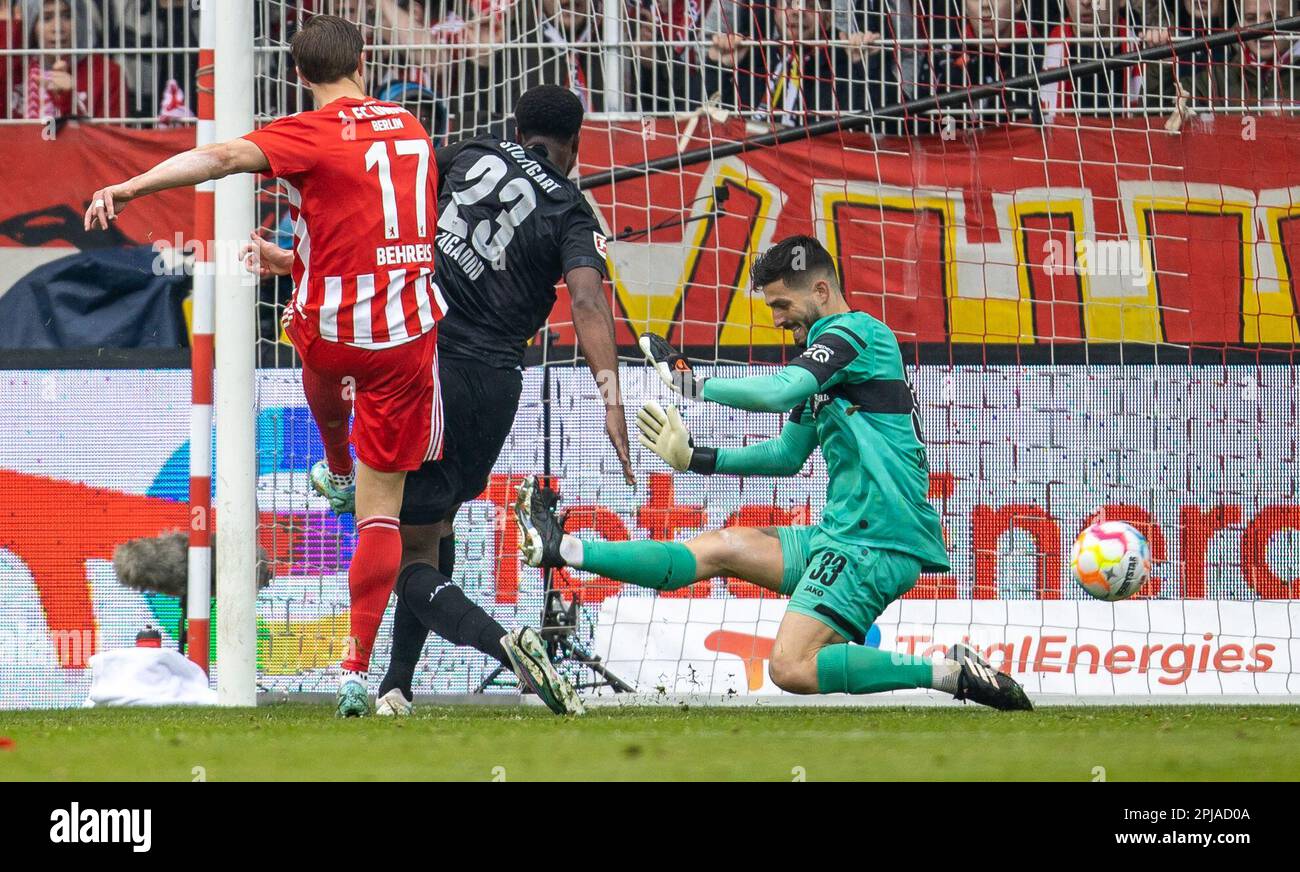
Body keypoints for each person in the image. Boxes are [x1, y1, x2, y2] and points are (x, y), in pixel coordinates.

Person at [84, 14, 574, 718]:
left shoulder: (308, 132)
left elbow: (219, 158)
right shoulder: (409, 129)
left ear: (297, 77)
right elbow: (382, 228)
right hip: (408, 343)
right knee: (386, 520)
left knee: (311, 341)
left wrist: (131, 189)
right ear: (365, 60)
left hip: (330, 335)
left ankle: (336, 471)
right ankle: (356, 669)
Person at [515, 235, 1034, 710]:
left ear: (823, 290)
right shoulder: (826, 364)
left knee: (791, 667)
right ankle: (562, 547)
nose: (778, 320)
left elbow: (781, 390)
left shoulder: (856, 334)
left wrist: (696, 386)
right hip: (841, 533)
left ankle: (949, 675)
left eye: (783, 305)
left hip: (878, 541)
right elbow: (788, 454)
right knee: (718, 548)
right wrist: (697, 458)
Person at [248, 84, 635, 717]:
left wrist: (297, 261)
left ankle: (509, 648)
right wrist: (612, 399)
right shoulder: (572, 209)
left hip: (428, 366)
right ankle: (396, 686)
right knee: (434, 530)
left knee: (397, 547)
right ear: (575, 144)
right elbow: (589, 301)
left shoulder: (467, 153)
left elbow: (384, 228)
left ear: (516, 123)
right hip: (495, 388)